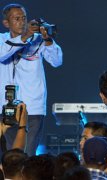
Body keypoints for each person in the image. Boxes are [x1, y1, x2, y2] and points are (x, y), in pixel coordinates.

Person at [0, 3, 63, 156]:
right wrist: (25, 36)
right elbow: (3, 54)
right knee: (8, 156)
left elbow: (57, 61)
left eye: (24, 18)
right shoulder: (1, 39)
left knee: (27, 154)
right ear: (6, 23)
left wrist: (48, 40)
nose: (22, 22)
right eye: (17, 19)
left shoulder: (38, 39)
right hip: (5, 105)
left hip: (33, 107)